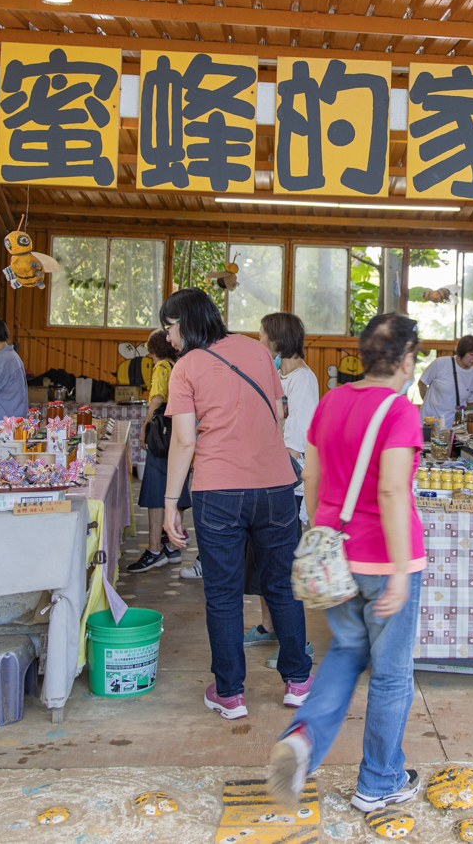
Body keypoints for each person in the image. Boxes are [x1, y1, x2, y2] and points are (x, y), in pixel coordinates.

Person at [269, 313, 426, 813]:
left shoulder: (332, 402)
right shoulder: (400, 411)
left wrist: (328, 535)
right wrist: (400, 570)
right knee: (391, 674)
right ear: (406, 360)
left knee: (343, 652)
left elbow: (310, 481)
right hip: (386, 560)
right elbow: (392, 489)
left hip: (338, 559)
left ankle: (302, 740)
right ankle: (379, 781)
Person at [160, 288, 312, 719]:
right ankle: (298, 681)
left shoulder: (185, 368)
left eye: (168, 328)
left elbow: (185, 440)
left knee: (223, 594)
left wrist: (172, 504)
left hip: (218, 492)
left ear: (184, 322)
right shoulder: (255, 350)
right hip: (276, 487)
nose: (167, 337)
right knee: (282, 585)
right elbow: (279, 415)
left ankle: (230, 693)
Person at [243, 313, 320, 665]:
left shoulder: (302, 380)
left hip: (287, 482)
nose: (259, 344)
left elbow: (296, 443)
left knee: (285, 567)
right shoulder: (277, 375)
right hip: (267, 477)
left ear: (277, 341)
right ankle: (268, 626)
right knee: (262, 561)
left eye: (262, 338)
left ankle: (297, 643)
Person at [124, 330, 189, 573]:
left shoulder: (162, 367)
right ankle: (173, 547)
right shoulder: (180, 365)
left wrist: (144, 429)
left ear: (155, 350)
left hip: (162, 432)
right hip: (179, 430)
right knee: (176, 487)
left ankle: (154, 550)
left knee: (155, 491)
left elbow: (157, 399)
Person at [418, 334, 473, 428]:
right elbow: (422, 383)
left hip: (452, 425)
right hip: (429, 420)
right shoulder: (441, 363)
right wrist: (428, 403)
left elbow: (468, 402)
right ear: (462, 352)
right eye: (471, 354)